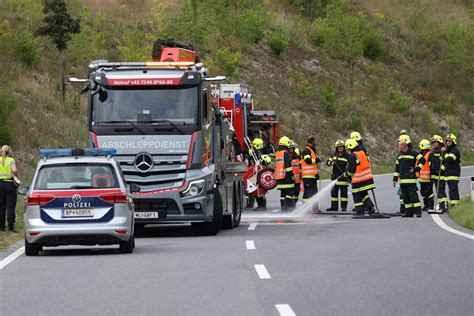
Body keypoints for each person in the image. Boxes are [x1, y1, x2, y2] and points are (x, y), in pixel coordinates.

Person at [393, 141, 424, 217]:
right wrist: (395, 179)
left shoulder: (413, 152)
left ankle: (418, 212)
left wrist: (416, 169)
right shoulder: (399, 155)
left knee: (413, 196)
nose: (398, 148)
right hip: (402, 181)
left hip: (411, 180)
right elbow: (397, 168)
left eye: (399, 146)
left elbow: (423, 160)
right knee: (405, 197)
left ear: (403, 146)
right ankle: (409, 213)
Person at [346, 139, 375, 216]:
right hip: (367, 179)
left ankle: (359, 212)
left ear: (351, 147)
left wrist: (347, 175)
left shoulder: (352, 156)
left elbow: (352, 170)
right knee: (364, 194)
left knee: (356, 195)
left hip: (358, 180)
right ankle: (370, 207)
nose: (349, 151)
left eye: (349, 149)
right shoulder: (362, 153)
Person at [326, 139, 350, 211]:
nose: (340, 148)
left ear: (344, 147)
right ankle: (334, 207)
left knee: (344, 194)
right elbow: (327, 162)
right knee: (334, 194)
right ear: (336, 148)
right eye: (339, 147)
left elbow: (350, 166)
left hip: (343, 178)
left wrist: (347, 174)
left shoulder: (347, 156)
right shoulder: (334, 155)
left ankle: (343, 207)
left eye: (341, 147)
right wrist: (331, 163)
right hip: (335, 178)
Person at [0, 145, 19, 232]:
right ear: (9, 152)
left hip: (0, 185)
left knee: (1, 206)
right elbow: (14, 170)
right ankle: (10, 228)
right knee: (10, 207)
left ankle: (1, 227)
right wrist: (16, 176)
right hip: (10, 184)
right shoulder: (11, 160)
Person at [275, 136, 294, 211]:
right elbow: (288, 166)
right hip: (286, 177)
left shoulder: (278, 153)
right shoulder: (285, 153)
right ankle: (286, 207)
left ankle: (283, 207)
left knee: (283, 194)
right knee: (290, 192)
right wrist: (292, 175)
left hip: (280, 177)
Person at [300, 136, 321, 207]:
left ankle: (315, 207)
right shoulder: (306, 150)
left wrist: (316, 174)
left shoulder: (312, 150)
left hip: (312, 176)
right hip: (307, 176)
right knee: (307, 192)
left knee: (315, 192)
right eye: (314, 141)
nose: (315, 143)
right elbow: (307, 160)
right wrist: (316, 160)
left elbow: (314, 166)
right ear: (312, 142)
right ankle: (304, 208)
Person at [429, 135, 448, 213]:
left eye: (435, 142)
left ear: (439, 142)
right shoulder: (433, 152)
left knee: (441, 191)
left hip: (441, 175)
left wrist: (441, 169)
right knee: (438, 191)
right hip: (435, 176)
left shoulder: (443, 151)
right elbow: (431, 163)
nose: (433, 144)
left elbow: (447, 162)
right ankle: (442, 206)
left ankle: (443, 206)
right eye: (432, 143)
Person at [444, 133, 461, 208]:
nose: (448, 142)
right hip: (449, 174)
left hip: (453, 174)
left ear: (453, 142)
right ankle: (456, 204)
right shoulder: (448, 151)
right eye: (447, 141)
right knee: (453, 190)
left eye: (450, 141)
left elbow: (449, 159)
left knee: (452, 191)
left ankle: (453, 205)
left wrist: (444, 153)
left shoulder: (455, 151)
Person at [418, 139, 433, 212]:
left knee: (429, 193)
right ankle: (426, 205)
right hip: (422, 178)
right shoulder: (422, 155)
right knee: (423, 193)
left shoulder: (430, 154)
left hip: (428, 178)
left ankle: (430, 205)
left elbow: (431, 165)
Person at [289, 140, 302, 208]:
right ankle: (291, 205)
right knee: (291, 193)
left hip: (297, 179)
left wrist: (301, 174)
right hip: (290, 178)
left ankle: (294, 203)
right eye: (289, 148)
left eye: (292, 148)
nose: (291, 149)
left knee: (297, 192)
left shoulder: (297, 157)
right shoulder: (286, 156)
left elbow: (301, 166)